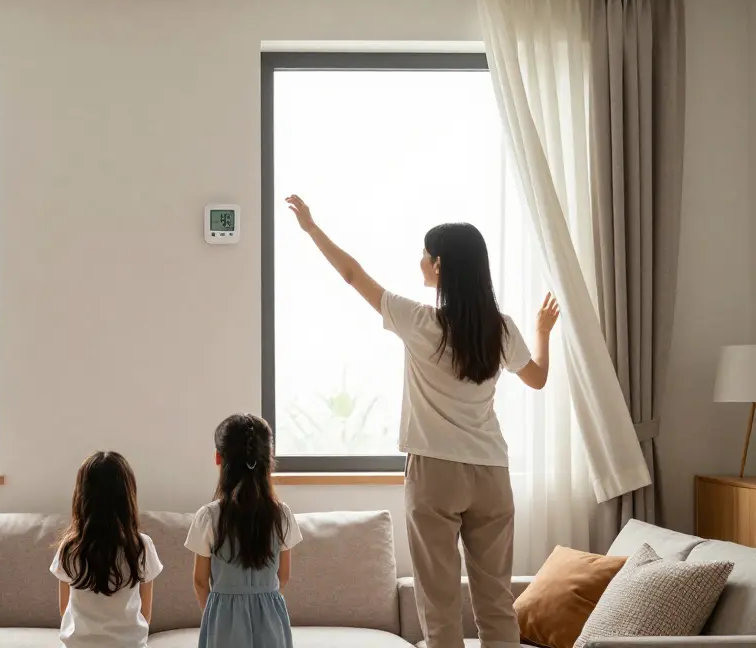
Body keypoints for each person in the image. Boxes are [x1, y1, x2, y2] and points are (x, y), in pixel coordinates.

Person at [285, 195, 560, 648]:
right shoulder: (503, 329)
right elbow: (539, 379)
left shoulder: (419, 321)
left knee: (439, 605)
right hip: (492, 473)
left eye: (424, 255)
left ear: (439, 265)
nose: (420, 262)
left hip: (435, 473)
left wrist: (313, 230)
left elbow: (353, 276)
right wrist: (543, 334)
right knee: (496, 604)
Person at [186, 414, 301, 648]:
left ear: (218, 458)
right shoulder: (282, 515)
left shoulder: (208, 517)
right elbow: (284, 576)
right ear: (268, 459)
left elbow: (200, 581)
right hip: (270, 616)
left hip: (223, 618)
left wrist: (217, 611)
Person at [51, 451, 163, 648]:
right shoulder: (141, 546)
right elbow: (146, 613)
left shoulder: (69, 548)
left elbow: (64, 609)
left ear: (81, 496)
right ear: (128, 497)